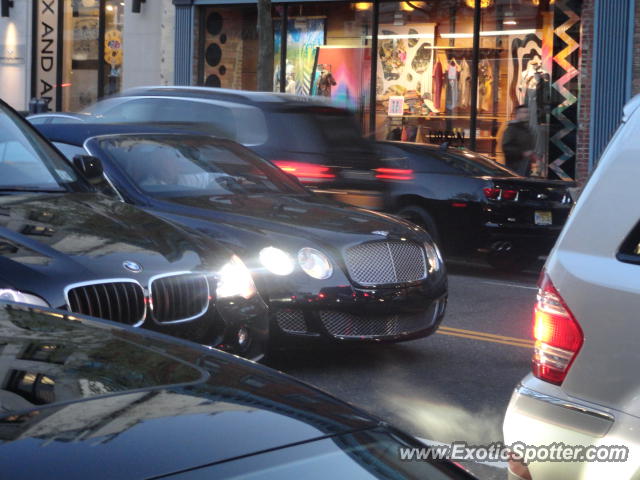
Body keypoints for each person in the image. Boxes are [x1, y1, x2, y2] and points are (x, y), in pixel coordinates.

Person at [502, 105, 536, 176]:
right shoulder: (512, 129)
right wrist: (522, 153)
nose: (527, 115)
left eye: (528, 112)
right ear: (517, 114)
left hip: (525, 166)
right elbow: (506, 148)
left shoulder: (526, 129)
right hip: (515, 167)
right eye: (524, 112)